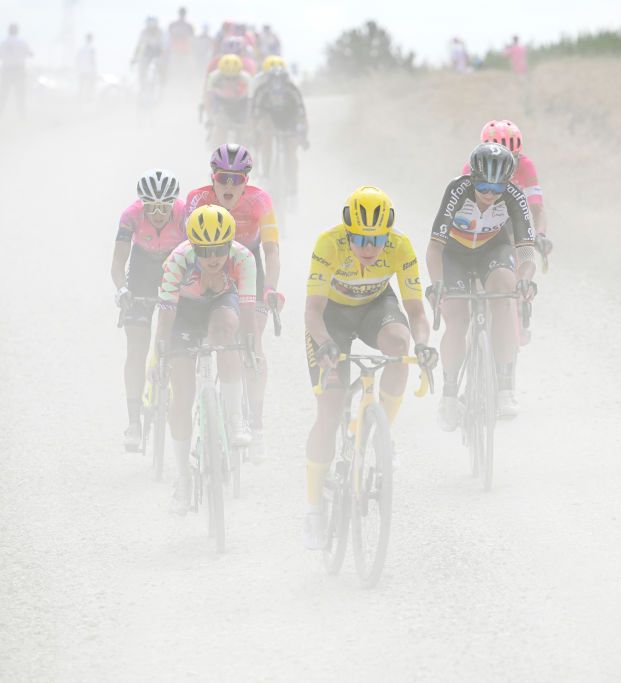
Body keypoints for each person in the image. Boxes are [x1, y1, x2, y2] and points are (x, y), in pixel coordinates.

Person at [302, 186, 437, 549]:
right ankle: (313, 508)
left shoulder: (400, 247)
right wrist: (326, 344)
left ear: (387, 235)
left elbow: (417, 315)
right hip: (331, 318)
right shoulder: (329, 243)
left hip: (375, 306)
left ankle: (380, 437)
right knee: (329, 414)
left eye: (376, 239)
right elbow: (312, 312)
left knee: (399, 343)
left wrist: (423, 345)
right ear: (348, 232)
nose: (368, 247)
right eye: (360, 239)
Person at [154, 205, 258, 513]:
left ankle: (235, 421)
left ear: (229, 245)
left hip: (219, 306)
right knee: (181, 397)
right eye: (205, 250)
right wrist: (161, 353)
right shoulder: (177, 261)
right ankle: (184, 480)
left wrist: (251, 347)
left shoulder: (243, 259)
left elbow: (249, 309)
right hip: (184, 313)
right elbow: (166, 315)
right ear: (194, 248)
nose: (213, 258)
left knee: (226, 334)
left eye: (219, 250)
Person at [427, 143, 536, 429]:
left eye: (497, 188)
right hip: (455, 254)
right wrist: (436, 284)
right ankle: (449, 396)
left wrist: (525, 278)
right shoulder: (457, 190)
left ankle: (504, 387)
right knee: (457, 317)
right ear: (473, 179)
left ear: (507, 184)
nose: (490, 194)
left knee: (505, 292)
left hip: (492, 249)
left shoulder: (514, 196)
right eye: (484, 186)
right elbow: (435, 248)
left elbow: (525, 250)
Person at [184, 144, 281, 459]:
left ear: (246, 180)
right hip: (210, 264)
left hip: (250, 265)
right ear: (212, 177)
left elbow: (271, 250)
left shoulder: (260, 201)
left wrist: (272, 288)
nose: (228, 186)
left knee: (252, 345)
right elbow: (188, 248)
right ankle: (217, 407)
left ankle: (257, 426)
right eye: (223, 178)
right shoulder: (197, 200)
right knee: (222, 332)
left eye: (236, 179)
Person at [111, 170, 186, 451]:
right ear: (142, 204)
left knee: (179, 338)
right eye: (151, 207)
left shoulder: (185, 215)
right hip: (141, 270)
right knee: (136, 346)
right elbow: (118, 264)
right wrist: (122, 290)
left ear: (173, 204)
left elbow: (197, 257)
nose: (156, 213)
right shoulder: (131, 215)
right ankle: (133, 422)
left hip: (173, 266)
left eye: (163, 207)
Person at [462, 120, 553, 346]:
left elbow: (537, 207)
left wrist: (540, 234)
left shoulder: (526, 166)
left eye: (512, 159)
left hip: (513, 218)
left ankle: (519, 302)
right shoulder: (470, 168)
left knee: (519, 243)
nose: (506, 164)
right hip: (483, 220)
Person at [251, 62, 308, 194]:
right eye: (273, 81)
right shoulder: (261, 91)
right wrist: (255, 134)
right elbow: (255, 116)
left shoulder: (293, 91)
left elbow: (302, 116)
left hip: (289, 119)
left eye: (280, 81)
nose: (277, 85)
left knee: (291, 150)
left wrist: (303, 136)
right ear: (268, 81)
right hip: (270, 120)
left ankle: (293, 185)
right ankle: (265, 174)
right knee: (266, 138)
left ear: (286, 81)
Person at [202, 54, 252, 139]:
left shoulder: (246, 77)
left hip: (239, 102)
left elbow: (251, 99)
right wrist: (210, 117)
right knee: (220, 127)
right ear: (221, 73)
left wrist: (250, 121)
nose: (230, 81)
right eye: (227, 78)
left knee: (242, 131)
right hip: (220, 101)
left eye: (234, 78)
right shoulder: (213, 76)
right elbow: (208, 98)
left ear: (239, 74)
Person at [0, 23, 33, 120]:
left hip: (7, 70)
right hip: (19, 70)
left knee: (2, 96)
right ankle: (23, 118)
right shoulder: (22, 42)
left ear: (9, 31)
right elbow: (30, 54)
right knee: (20, 96)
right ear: (17, 31)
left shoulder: (3, 43)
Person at [132, 16, 166, 94]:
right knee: (142, 69)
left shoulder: (160, 32)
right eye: (149, 28)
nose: (151, 30)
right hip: (147, 54)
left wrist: (162, 58)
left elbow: (163, 47)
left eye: (152, 28)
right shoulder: (144, 32)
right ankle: (142, 88)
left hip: (157, 54)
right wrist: (134, 58)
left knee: (158, 68)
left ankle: (160, 87)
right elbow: (139, 46)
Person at [167, 7, 195, 83]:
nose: (182, 15)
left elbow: (192, 40)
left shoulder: (189, 26)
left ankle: (183, 85)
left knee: (185, 71)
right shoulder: (172, 25)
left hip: (185, 52)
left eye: (183, 13)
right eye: (181, 13)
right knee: (173, 70)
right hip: (174, 51)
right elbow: (168, 38)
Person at [76, 33, 97, 100]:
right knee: (90, 84)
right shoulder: (92, 48)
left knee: (82, 85)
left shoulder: (82, 48)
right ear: (91, 39)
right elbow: (92, 59)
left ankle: (80, 97)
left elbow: (78, 59)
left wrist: (78, 68)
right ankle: (89, 97)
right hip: (89, 70)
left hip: (82, 70)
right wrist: (94, 69)